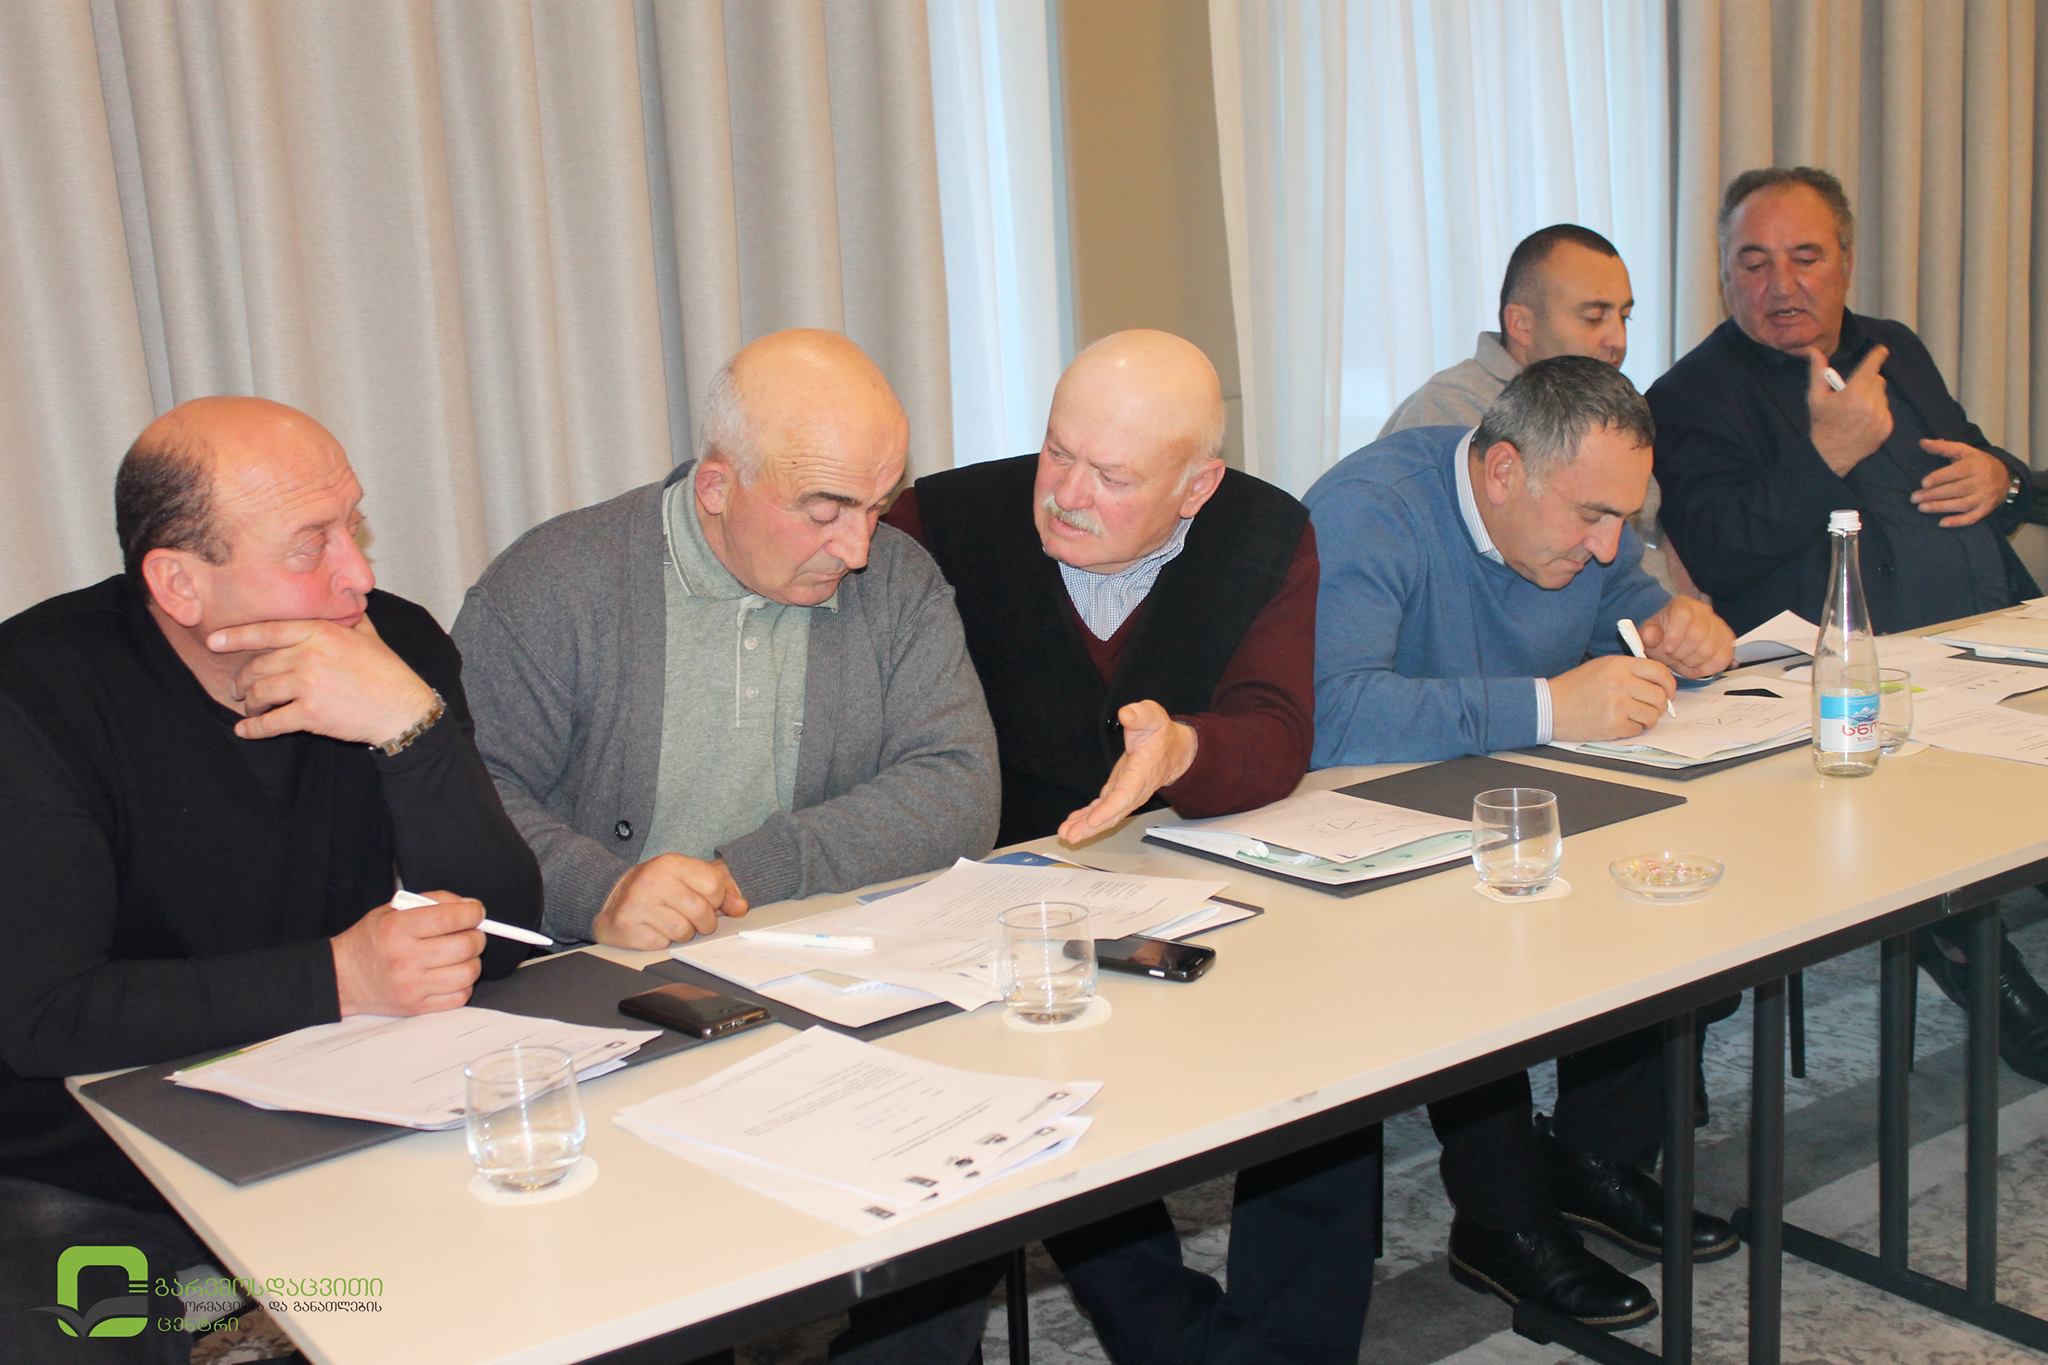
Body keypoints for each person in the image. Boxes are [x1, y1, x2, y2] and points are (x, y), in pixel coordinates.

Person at [848, 330, 1376, 1363]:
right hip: (981, 894)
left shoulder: (1265, 531)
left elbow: (1275, 731)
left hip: (1178, 872)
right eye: (1058, 452)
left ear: (1195, 488)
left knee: (1329, 1066)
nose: (1065, 495)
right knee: (1019, 1096)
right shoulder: (942, 522)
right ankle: (1161, 1332)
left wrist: (1181, 747)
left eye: (1113, 477)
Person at [0, 397, 541, 1362]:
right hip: (87, 1159)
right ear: (179, 583)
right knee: (76, 1329)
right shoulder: (36, 695)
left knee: (570, 1237)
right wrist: (341, 974)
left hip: (333, 1110)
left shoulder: (389, 648)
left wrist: (411, 729)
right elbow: (44, 1015)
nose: (357, 573)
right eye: (308, 545)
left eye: (352, 525)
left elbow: (499, 939)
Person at [1307, 357, 1738, 1328]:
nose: (1607, 542)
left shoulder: (1583, 527)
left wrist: (1681, 628)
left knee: (1667, 886)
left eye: (1623, 517)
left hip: (1523, 799)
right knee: (1471, 943)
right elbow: (1331, 715)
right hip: (1369, 830)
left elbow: (1629, 603)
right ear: (1502, 471)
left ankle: (1591, 1160)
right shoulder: (1369, 512)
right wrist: (1548, 706)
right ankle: (1499, 1221)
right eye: (1591, 516)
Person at [1649, 164, 2048, 1082]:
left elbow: (1974, 453)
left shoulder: (1892, 346)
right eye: (1754, 263)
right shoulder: (1692, 395)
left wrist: (2002, 476)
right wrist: (1823, 451)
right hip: (1831, 685)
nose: (1781, 284)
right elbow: (1719, 548)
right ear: (1723, 273)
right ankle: (1996, 980)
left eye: (1805, 257)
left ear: (1846, 261)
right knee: (1922, 798)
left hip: (1987, 639)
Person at [453, 329, 999, 947]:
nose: (858, 550)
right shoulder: (554, 584)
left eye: (877, 507)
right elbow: (463, 799)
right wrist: (601, 893)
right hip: (593, 970)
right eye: (824, 513)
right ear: (716, 489)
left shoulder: (897, 581)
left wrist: (749, 873)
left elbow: (959, 788)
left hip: (825, 951)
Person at [1381, 223, 1695, 597]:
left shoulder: (1608, 413)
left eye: (1624, 317)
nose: (1618, 341)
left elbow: (1645, 539)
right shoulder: (1448, 412)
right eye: (1594, 317)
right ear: (1521, 325)